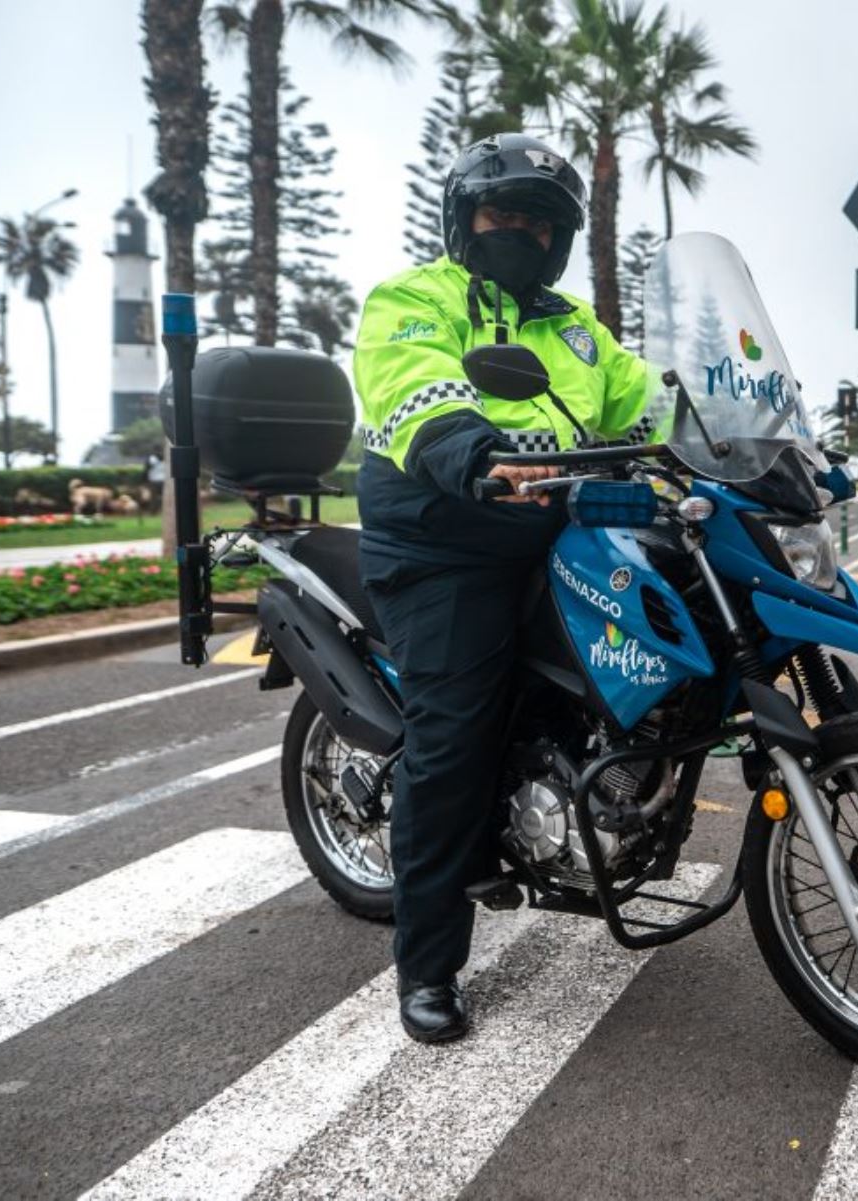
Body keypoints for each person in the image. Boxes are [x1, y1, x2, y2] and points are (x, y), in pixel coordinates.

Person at [354, 132, 657, 1043]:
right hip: (446, 540)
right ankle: (429, 966)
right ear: (464, 220)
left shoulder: (574, 327)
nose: (520, 230)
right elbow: (415, 388)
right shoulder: (418, 297)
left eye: (540, 220)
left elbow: (644, 401)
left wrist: (756, 438)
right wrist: (471, 456)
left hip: (558, 530)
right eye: (503, 214)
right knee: (453, 739)